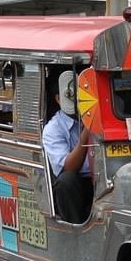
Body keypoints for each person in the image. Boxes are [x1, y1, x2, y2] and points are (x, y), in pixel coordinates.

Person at [41, 71, 93, 224]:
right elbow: (68, 168)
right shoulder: (53, 128)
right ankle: (75, 231)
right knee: (66, 181)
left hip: (103, 178)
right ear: (58, 99)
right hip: (78, 184)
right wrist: (88, 130)